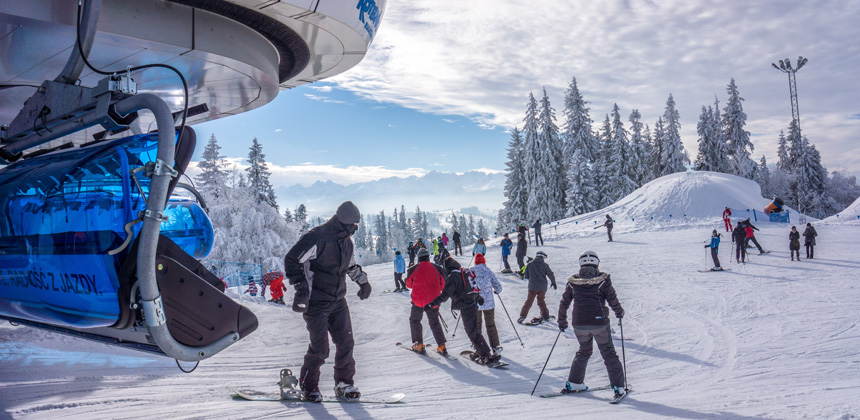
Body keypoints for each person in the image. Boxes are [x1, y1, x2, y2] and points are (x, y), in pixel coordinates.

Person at [284, 201, 372, 403]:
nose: (356, 228)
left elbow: (350, 266)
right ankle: (309, 387)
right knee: (320, 348)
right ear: (345, 222)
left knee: (346, 342)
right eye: (355, 224)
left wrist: (363, 282)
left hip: (338, 301)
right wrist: (301, 286)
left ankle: (344, 383)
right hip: (316, 302)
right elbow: (292, 259)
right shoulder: (317, 237)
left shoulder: (346, 242)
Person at [557, 250, 626, 399]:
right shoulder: (603, 280)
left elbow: (564, 302)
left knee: (584, 351)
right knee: (608, 352)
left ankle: (575, 383)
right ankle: (619, 387)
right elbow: (612, 298)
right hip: (599, 322)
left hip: (579, 324)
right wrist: (619, 312)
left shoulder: (573, 282)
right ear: (597, 263)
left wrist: (562, 320)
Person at [433, 257, 499, 364]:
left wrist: (433, 303)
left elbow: (445, 295)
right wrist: (478, 298)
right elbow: (470, 287)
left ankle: (485, 354)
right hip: (473, 304)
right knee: (474, 331)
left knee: (472, 332)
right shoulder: (464, 273)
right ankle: (484, 352)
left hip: (466, 306)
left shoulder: (453, 276)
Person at [405, 248, 448, 355]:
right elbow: (443, 285)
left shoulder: (413, 269)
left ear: (418, 258)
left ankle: (418, 344)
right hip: (433, 301)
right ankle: (441, 345)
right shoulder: (437, 268)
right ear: (429, 257)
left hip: (418, 300)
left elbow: (408, 284)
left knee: (415, 320)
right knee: (434, 322)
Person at [471, 253, 503, 356]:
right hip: (489, 303)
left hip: (476, 303)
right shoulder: (488, 271)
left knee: (477, 325)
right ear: (484, 261)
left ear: (475, 262)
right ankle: (495, 347)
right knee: (491, 325)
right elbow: (498, 286)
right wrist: (497, 291)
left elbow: (468, 284)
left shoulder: (471, 271)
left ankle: (478, 346)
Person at [518, 250, 556, 324]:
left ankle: (522, 316)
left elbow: (526, 276)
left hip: (532, 287)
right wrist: (553, 282)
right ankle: (545, 316)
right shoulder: (545, 265)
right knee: (541, 301)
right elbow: (550, 274)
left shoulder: (529, 264)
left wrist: (532, 279)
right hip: (542, 287)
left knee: (529, 301)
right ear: (542, 257)